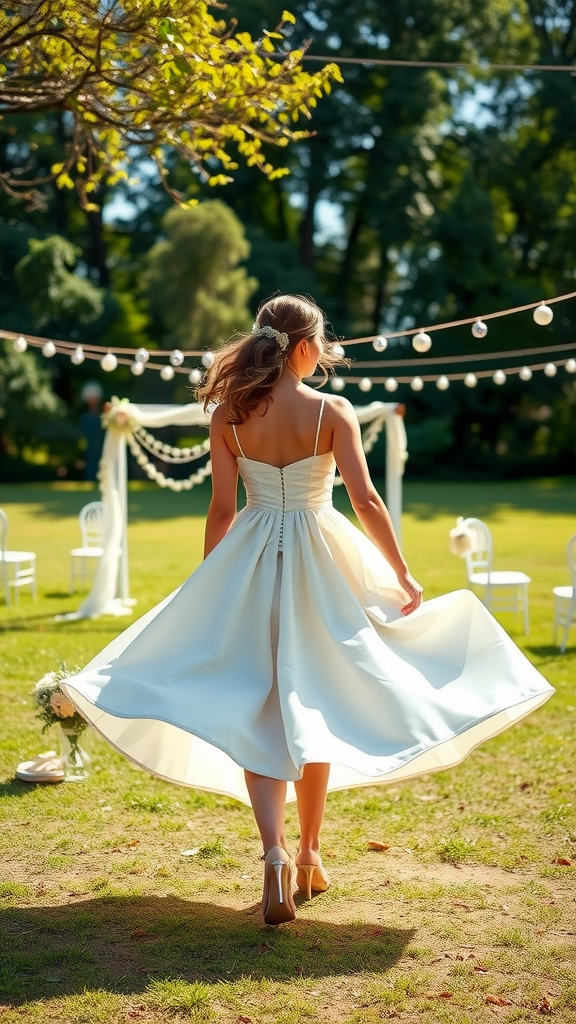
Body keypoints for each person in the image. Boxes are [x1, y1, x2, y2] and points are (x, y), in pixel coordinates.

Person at [63, 293, 553, 927]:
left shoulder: (230, 415)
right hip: (321, 559)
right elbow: (367, 500)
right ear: (304, 347)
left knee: (256, 705)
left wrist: (215, 584)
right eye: (321, 342)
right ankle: (310, 854)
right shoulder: (331, 411)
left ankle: (273, 852)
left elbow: (220, 510)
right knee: (311, 701)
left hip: (252, 556)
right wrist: (401, 572)